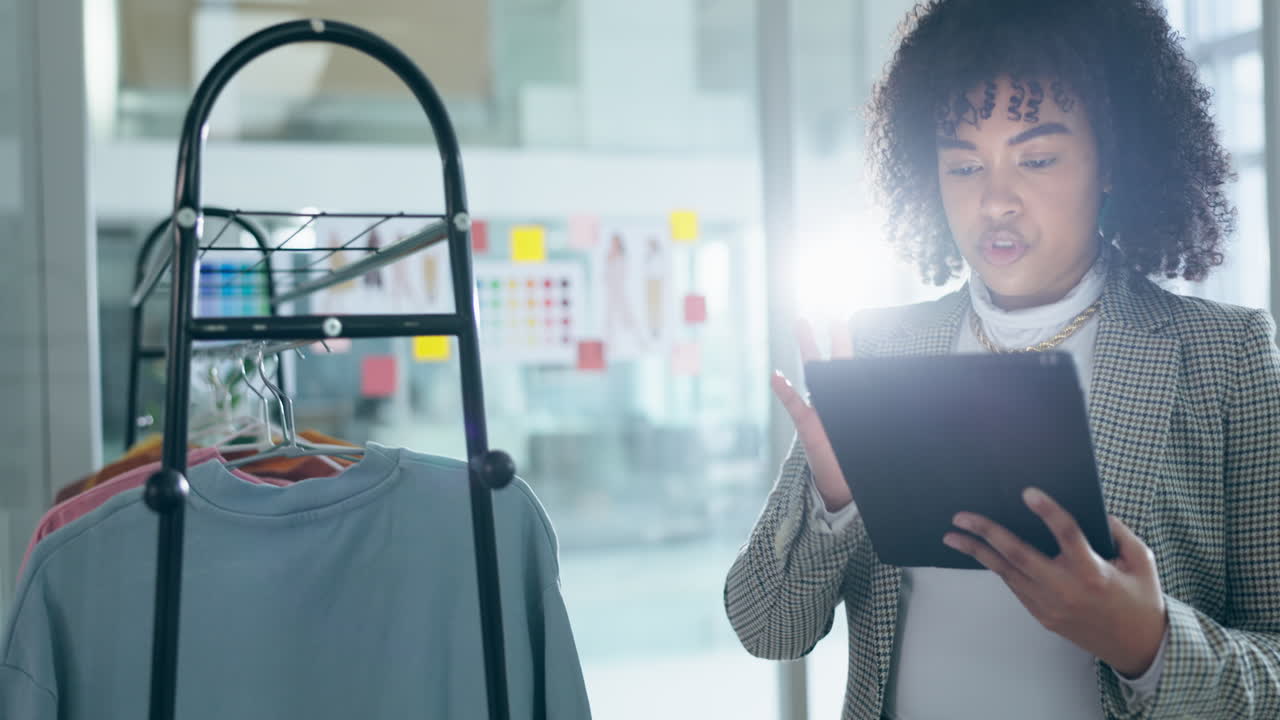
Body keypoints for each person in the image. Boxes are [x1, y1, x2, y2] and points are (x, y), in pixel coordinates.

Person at [724, 1, 1280, 718]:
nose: (994, 201)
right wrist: (834, 502)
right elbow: (766, 629)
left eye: (1038, 158)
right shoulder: (881, 351)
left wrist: (1150, 642)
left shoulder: (1223, 358)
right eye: (962, 165)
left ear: (1112, 161)